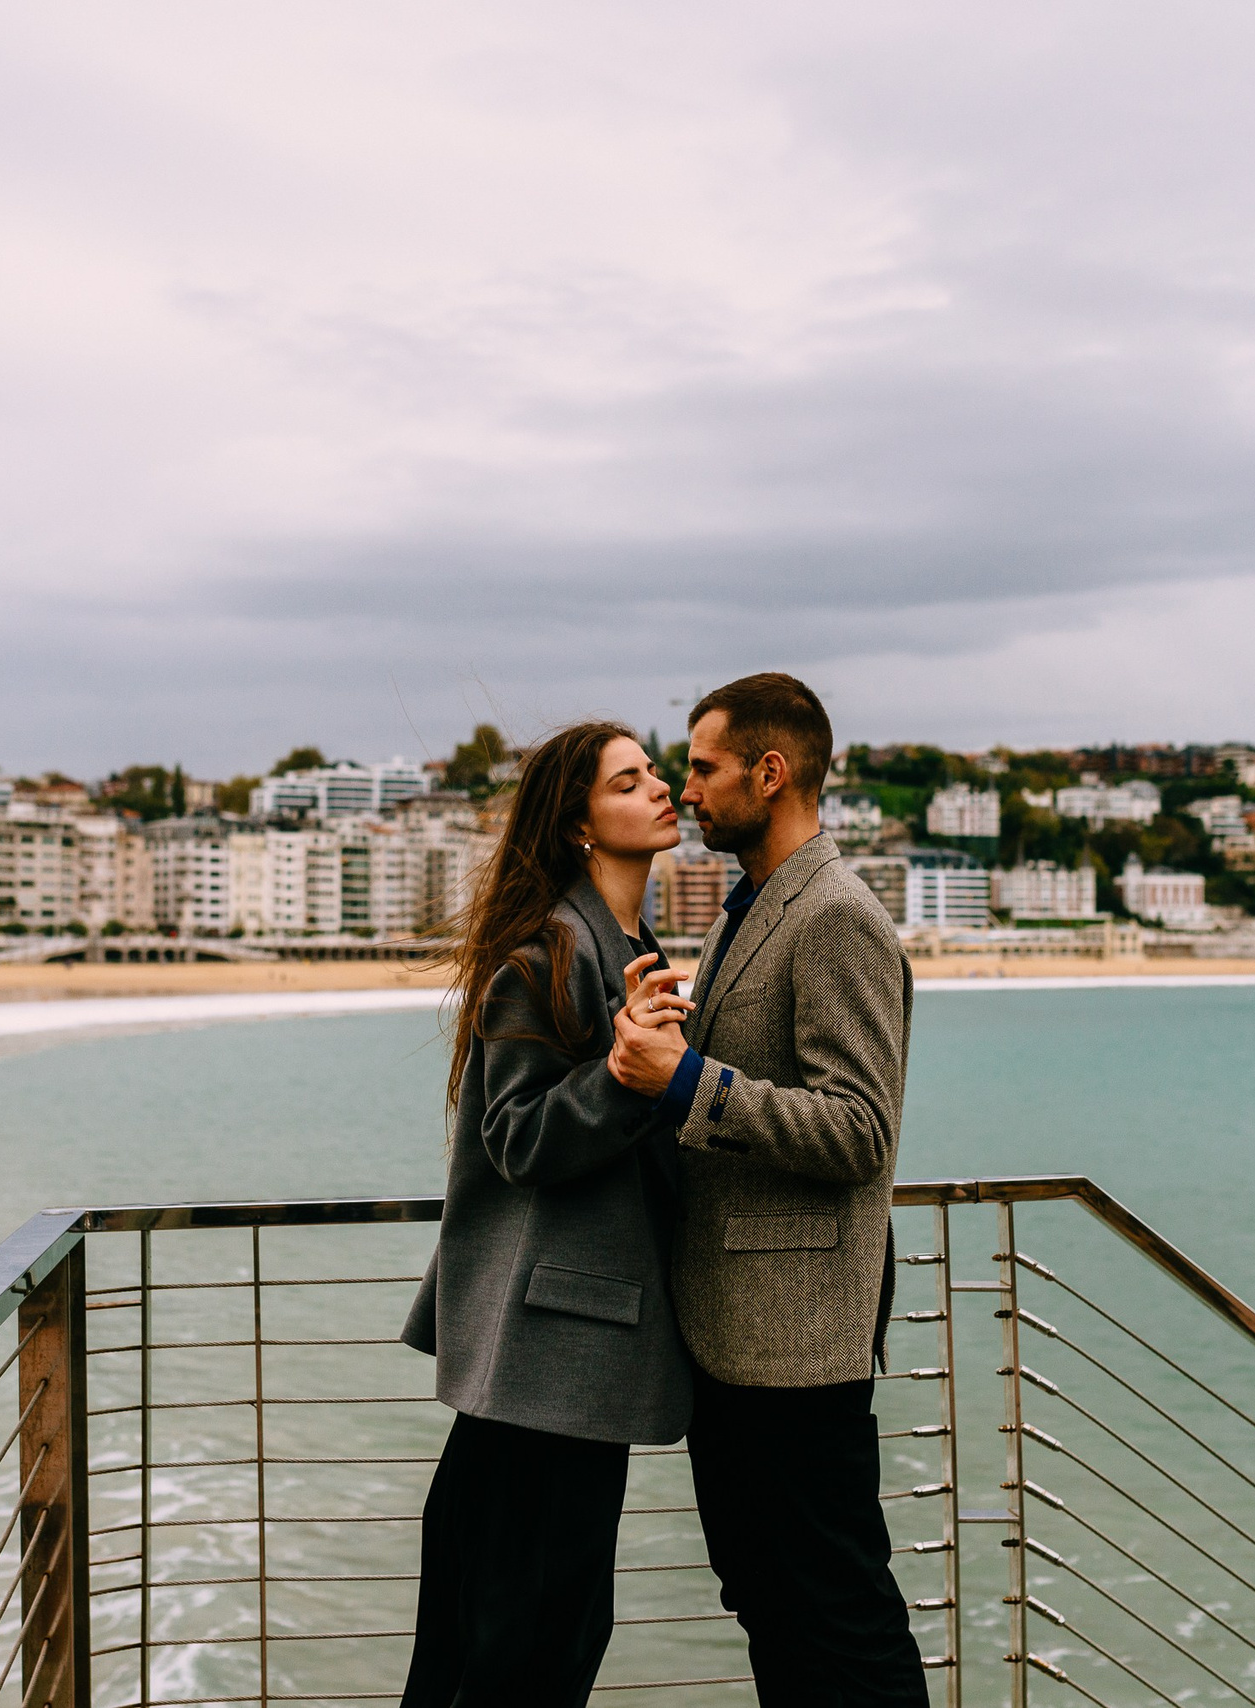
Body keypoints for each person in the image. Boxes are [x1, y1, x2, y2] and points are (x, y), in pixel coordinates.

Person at [608, 672, 926, 1705]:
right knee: (773, 1605)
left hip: (795, 1349)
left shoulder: (834, 915)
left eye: (702, 767)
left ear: (769, 770)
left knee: (840, 1615)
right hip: (735, 1340)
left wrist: (687, 1080)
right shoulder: (753, 904)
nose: (687, 790)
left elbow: (859, 1129)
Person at [399, 720, 700, 1708]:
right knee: (526, 1645)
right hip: (547, 1357)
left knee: (525, 1636)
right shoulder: (543, 959)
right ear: (578, 825)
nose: (659, 788)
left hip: (565, 1354)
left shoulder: (626, 949)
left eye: (655, 771)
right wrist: (621, 1075)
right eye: (629, 781)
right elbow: (518, 1139)